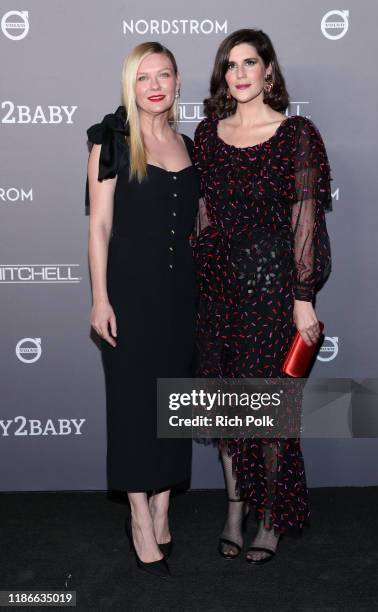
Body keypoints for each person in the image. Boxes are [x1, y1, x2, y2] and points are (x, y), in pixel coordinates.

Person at [193, 29, 332, 564]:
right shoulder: (208, 134)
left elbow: (305, 220)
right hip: (218, 287)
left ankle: (270, 514)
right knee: (229, 407)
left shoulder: (297, 133)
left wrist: (303, 297)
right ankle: (234, 509)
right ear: (223, 75)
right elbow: (203, 213)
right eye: (231, 65)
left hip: (274, 288)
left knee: (268, 407)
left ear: (269, 71)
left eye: (251, 62)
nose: (241, 73)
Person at [87, 42, 199, 578]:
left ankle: (163, 503)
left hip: (183, 297)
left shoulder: (190, 144)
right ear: (130, 85)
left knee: (174, 403)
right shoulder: (113, 140)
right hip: (129, 295)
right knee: (134, 406)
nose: (155, 84)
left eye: (165, 74)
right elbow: (100, 225)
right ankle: (137, 514)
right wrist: (100, 298)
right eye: (143, 76)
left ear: (178, 83)